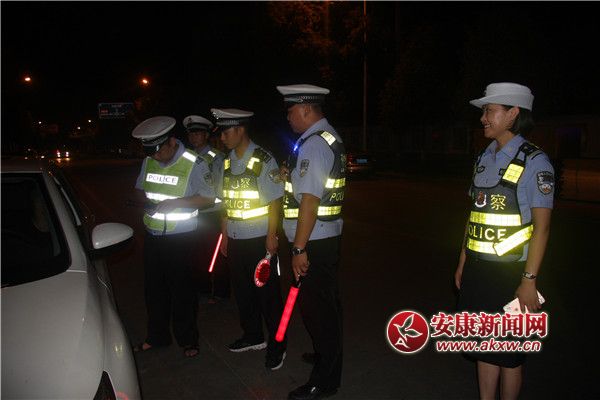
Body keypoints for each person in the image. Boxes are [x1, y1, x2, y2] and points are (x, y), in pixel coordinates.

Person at [454, 83, 554, 399]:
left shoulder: (535, 162)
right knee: (485, 347)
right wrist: (463, 261)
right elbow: (475, 214)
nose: (483, 118)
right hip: (479, 270)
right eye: (484, 111)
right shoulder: (484, 156)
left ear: (513, 114)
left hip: (512, 273)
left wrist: (529, 281)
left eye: (489, 111)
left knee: (509, 354)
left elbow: (542, 228)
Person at [276, 84, 345, 400]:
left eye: (290, 111)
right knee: (324, 307)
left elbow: (310, 202)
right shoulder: (323, 138)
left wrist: (299, 248)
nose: (288, 117)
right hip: (321, 238)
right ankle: (324, 355)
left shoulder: (315, 144)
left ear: (305, 109)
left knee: (320, 312)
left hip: (313, 241)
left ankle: (325, 381)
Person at [131, 116, 217, 358]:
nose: (156, 157)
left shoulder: (195, 163)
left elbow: (208, 198)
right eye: (152, 153)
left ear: (171, 141)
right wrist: (143, 202)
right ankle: (157, 337)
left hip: (181, 238)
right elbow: (139, 188)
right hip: (152, 235)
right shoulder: (149, 160)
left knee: (183, 291)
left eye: (160, 151)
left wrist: (177, 203)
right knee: (154, 290)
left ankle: (188, 340)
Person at [211, 107, 287, 370]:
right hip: (235, 238)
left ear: (240, 130)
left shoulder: (263, 159)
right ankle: (253, 336)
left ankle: (278, 345)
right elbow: (225, 202)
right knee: (243, 293)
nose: (222, 138)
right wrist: (224, 235)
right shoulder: (226, 162)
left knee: (268, 296)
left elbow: (275, 201)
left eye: (225, 132)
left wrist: (271, 236)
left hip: (259, 240)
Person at [183, 115, 230, 302]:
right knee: (196, 252)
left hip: (213, 214)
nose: (194, 137)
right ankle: (201, 288)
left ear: (206, 135)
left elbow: (220, 188)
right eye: (191, 134)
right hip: (192, 213)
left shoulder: (217, 158)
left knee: (217, 254)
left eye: (198, 133)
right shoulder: (186, 157)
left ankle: (220, 291)